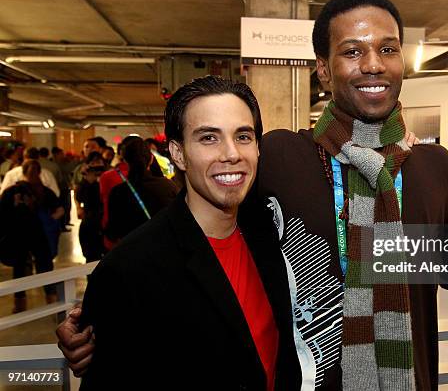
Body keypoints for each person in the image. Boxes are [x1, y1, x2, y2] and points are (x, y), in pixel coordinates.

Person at [57, 0, 448, 390]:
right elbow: (192, 240)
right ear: (323, 69)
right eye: (352, 51)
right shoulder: (281, 157)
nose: (373, 64)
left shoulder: (433, 167)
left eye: (387, 49)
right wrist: (100, 322)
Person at [62, 77, 300, 390]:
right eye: (208, 138)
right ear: (177, 152)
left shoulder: (267, 232)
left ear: (257, 146)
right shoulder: (128, 270)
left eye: (243, 136)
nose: (231, 154)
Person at [0, 160, 63, 312]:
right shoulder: (43, 191)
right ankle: (51, 302)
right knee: (45, 267)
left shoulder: (12, 191)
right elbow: (60, 209)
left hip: (19, 235)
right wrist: (49, 221)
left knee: (20, 269)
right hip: (39, 235)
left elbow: (2, 213)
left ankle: (20, 305)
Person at [104, 136, 178, 243]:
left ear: (125, 160)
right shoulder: (168, 186)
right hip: (162, 249)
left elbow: (113, 231)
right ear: (152, 159)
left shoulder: (118, 192)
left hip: (131, 252)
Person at [75, 152, 107, 263]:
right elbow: (80, 197)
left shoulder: (108, 177)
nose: (96, 165)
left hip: (105, 223)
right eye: (93, 162)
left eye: (98, 161)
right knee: (91, 258)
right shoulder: (85, 181)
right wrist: (87, 181)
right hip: (90, 223)